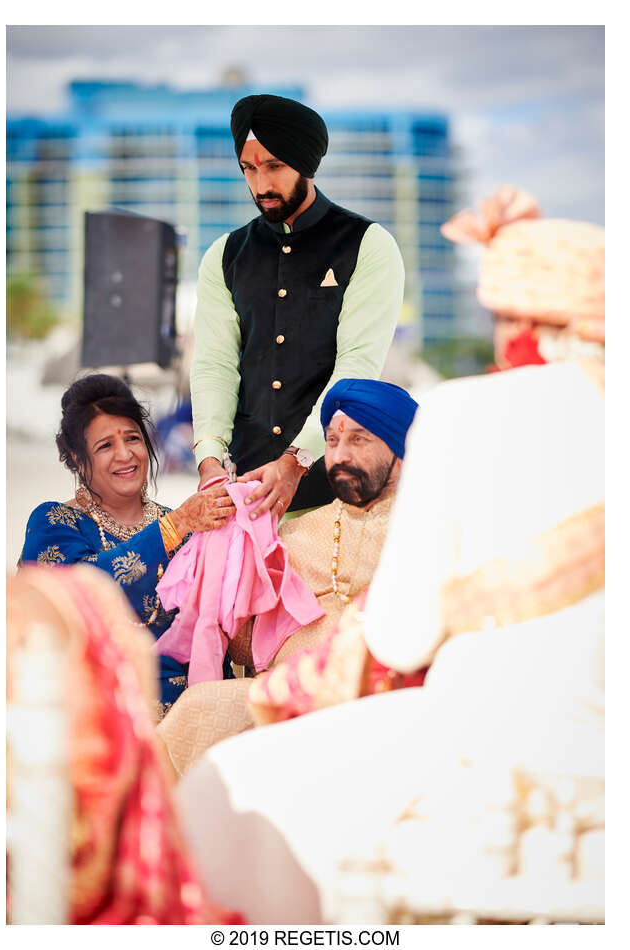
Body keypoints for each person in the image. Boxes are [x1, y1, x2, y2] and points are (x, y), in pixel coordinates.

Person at [174, 190, 604, 924]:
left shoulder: (467, 412)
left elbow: (401, 634)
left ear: (519, 320)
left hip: (484, 742)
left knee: (231, 791)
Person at [156, 378, 419, 775]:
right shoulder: (289, 538)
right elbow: (245, 652)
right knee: (200, 707)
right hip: (284, 705)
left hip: (385, 705)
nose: (340, 455)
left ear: (401, 449)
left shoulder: (426, 533)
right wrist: (229, 553)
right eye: (331, 442)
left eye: (359, 440)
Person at [190, 93, 405, 521]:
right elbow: (214, 364)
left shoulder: (367, 245)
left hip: (338, 495)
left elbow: (357, 367)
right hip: (243, 498)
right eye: (249, 169)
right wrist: (210, 457)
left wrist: (296, 460)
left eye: (274, 166)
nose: (261, 186)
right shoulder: (224, 254)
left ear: (305, 164)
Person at [7, 562, 243, 924]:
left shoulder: (91, 592)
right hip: (111, 721)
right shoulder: (60, 540)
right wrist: (172, 529)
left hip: (173, 695)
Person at [19, 373, 236, 720]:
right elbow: (80, 594)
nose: (125, 454)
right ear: (77, 457)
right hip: (104, 719)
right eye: (105, 446)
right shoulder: (55, 523)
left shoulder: (190, 524)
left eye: (133, 438)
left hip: (196, 713)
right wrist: (175, 526)